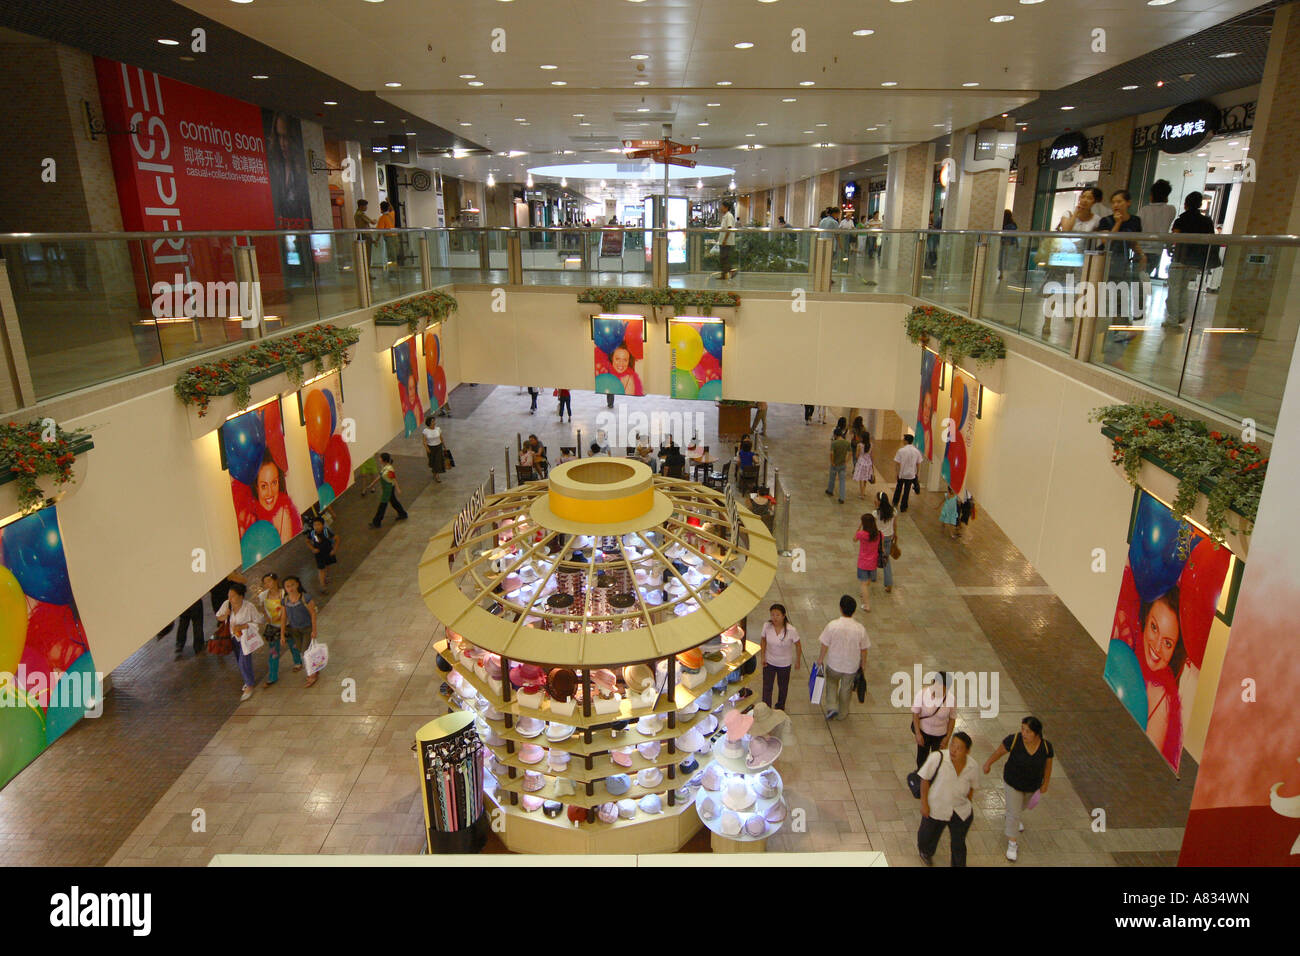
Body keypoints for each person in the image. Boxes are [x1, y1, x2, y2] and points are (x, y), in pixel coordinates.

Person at [983, 716, 1054, 862]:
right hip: (1013, 782)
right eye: (1022, 729)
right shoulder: (1014, 740)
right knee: (1014, 813)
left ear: (1036, 733)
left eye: (1028, 731)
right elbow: (999, 752)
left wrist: (1045, 783)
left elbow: (1048, 767)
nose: (1024, 733)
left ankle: (1012, 817)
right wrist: (988, 763)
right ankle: (1012, 843)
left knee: (1020, 807)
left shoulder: (1046, 747)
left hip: (1032, 786)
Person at [917, 731, 979, 867]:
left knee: (958, 844)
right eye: (952, 745)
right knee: (927, 837)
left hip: (960, 811)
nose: (954, 750)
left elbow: (972, 788)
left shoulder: (972, 766)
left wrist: (967, 802)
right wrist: (924, 804)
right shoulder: (937, 758)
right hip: (937, 807)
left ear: (967, 751)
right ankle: (926, 852)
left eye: (959, 748)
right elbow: (924, 780)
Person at [1097, 190, 1146, 340]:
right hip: (1108, 262)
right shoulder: (1106, 221)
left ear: (1128, 203)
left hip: (1126, 263)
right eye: (1114, 202)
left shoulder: (1135, 221)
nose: (1116, 205)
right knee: (1116, 295)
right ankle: (1118, 329)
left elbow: (1133, 241)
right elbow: (1107, 242)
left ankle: (1122, 327)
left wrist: (1141, 255)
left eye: (1119, 201)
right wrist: (1118, 223)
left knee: (1126, 294)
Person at [1165, 191, 1215, 329]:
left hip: (1180, 258)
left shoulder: (1181, 220)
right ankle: (1182, 314)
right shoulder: (1206, 221)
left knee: (1174, 288)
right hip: (1195, 261)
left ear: (1186, 204)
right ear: (1200, 204)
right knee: (1184, 288)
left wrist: (1169, 248)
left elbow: (1174, 238)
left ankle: (1173, 318)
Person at [816, 595, 869, 720]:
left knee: (831, 685)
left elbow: (825, 644)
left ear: (840, 608)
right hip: (851, 667)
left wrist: (820, 659)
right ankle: (842, 713)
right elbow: (864, 649)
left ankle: (832, 707)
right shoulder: (860, 629)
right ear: (854, 610)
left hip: (834, 664)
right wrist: (863, 665)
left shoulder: (832, 625)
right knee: (846, 690)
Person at [215, 582, 265, 702]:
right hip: (233, 638)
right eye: (229, 596)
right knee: (240, 660)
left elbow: (258, 620)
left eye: (233, 596)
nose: (230, 598)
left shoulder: (249, 607)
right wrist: (225, 616)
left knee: (244, 660)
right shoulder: (227, 604)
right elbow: (218, 617)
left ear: (241, 596)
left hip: (245, 638)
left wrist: (242, 626)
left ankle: (249, 685)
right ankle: (249, 680)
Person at [259, 572, 302, 686]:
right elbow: (262, 608)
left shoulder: (283, 593)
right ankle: (272, 676)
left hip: (287, 624)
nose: (268, 584)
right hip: (273, 626)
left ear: (276, 581)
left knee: (293, 644)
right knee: (273, 651)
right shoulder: (263, 596)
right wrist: (267, 617)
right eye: (265, 583)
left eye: (269, 581)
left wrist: (283, 615)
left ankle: (298, 662)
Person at [281, 575, 322, 688]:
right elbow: (284, 617)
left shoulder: (305, 598)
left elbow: (313, 613)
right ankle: (315, 668)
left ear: (297, 584)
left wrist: (314, 630)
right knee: (301, 650)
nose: (291, 588)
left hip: (307, 629)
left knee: (305, 652)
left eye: (292, 585)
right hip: (295, 630)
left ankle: (312, 675)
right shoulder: (285, 600)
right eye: (288, 586)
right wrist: (282, 634)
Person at [760, 603, 801, 711]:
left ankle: (780, 706)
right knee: (767, 686)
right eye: (772, 615)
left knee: (783, 687)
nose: (775, 618)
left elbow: (798, 645)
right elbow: (763, 640)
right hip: (769, 662)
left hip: (784, 664)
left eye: (777, 615)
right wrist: (763, 656)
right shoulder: (767, 626)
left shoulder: (791, 630)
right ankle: (766, 708)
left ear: (783, 616)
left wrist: (798, 661)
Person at [911, 671, 956, 768]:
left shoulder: (951, 699)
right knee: (921, 760)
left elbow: (952, 719)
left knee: (937, 762)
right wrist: (918, 734)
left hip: (940, 736)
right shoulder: (922, 693)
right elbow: (915, 714)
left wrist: (947, 738)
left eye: (944, 690)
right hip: (924, 733)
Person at [1137, 179, 1176, 279]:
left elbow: (1138, 228)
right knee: (1145, 277)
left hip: (1141, 249)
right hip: (1157, 250)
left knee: (1138, 278)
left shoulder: (1144, 210)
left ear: (1151, 195)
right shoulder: (1170, 210)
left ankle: (1140, 294)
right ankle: (1143, 294)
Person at [367, 452, 409, 527]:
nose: (379, 459)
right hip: (386, 488)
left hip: (388, 489)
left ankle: (376, 522)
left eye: (380, 458)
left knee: (382, 505)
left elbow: (393, 479)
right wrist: (372, 484)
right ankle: (403, 514)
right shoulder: (384, 467)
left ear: (384, 460)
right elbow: (380, 476)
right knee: (393, 501)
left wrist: (398, 488)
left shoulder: (389, 470)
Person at [853, 514, 881, 613]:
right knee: (868, 581)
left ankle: (866, 605)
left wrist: (859, 526)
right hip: (873, 563)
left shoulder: (862, 534)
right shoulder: (878, 534)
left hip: (863, 563)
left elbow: (854, 539)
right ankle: (864, 592)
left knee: (863, 584)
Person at [304, 516, 339, 592]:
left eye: (318, 525)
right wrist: (312, 549)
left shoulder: (327, 532)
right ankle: (322, 585)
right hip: (319, 554)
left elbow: (337, 538)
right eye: (315, 525)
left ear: (323, 525)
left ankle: (327, 576)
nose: (316, 527)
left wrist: (334, 549)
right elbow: (307, 541)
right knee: (321, 569)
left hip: (328, 552)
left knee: (328, 564)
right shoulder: (312, 533)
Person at [892, 432, 924, 512]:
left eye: (904, 439)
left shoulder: (901, 451)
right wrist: (917, 474)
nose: (903, 441)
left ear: (906, 441)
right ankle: (904, 507)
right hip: (911, 474)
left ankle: (895, 503)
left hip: (902, 474)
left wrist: (897, 473)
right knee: (907, 491)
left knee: (898, 488)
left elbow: (897, 463)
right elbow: (918, 464)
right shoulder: (917, 451)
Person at [872, 492, 897, 593]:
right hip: (888, 538)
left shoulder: (875, 513)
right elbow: (895, 525)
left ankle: (873, 576)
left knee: (874, 556)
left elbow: (873, 527)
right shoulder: (893, 511)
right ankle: (888, 583)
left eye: (876, 499)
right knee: (886, 560)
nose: (874, 500)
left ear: (879, 501)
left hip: (878, 538)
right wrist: (895, 535)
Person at [825, 427, 852, 503]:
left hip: (835, 464)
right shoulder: (847, 443)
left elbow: (831, 454)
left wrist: (832, 462)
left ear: (835, 435)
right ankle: (842, 498)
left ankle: (830, 490)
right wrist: (846, 461)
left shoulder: (834, 443)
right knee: (842, 482)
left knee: (832, 478)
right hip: (842, 464)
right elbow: (850, 453)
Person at [421, 414, 447, 483]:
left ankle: (437, 476)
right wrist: (427, 448)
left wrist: (444, 446)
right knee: (433, 461)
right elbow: (424, 441)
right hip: (431, 448)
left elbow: (441, 438)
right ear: (429, 423)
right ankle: (434, 472)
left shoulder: (438, 429)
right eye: (432, 421)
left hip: (438, 447)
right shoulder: (425, 431)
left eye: (434, 421)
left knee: (438, 461)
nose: (434, 422)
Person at [716, 199, 738, 279]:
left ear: (726, 207)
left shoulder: (729, 216)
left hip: (727, 242)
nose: (721, 208)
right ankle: (724, 275)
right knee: (723, 259)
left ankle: (732, 271)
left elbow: (729, 228)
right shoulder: (725, 216)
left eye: (722, 206)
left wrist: (725, 240)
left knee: (724, 258)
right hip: (723, 241)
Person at [852, 427, 874, 498]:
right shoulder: (871, 444)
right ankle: (863, 492)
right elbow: (872, 455)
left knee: (861, 479)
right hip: (868, 462)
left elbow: (857, 455)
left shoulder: (859, 445)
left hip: (861, 462)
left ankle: (861, 494)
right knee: (865, 478)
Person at [998, 209, 1019, 281]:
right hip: (1011, 244)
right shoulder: (1013, 225)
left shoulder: (1004, 225)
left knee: (1002, 259)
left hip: (1004, 243)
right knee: (1008, 259)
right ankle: (1006, 274)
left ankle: (1002, 274)